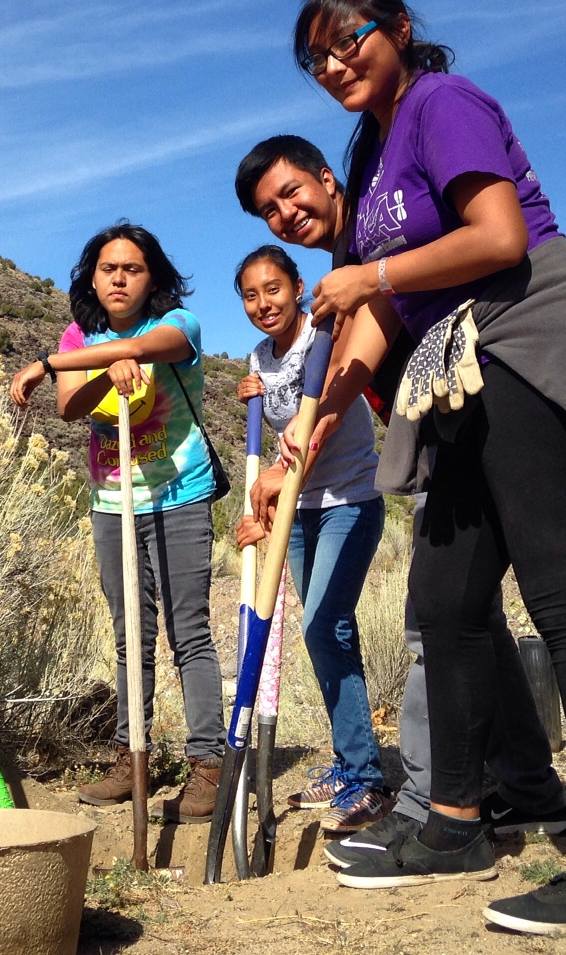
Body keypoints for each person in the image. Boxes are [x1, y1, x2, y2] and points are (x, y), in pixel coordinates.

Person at [246, 0, 566, 936]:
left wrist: (365, 276)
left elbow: (495, 238)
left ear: (399, 30)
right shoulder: (369, 149)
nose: (335, 66)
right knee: (447, 605)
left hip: (524, 342)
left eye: (349, 42)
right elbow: (375, 313)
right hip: (452, 371)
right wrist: (318, 416)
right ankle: (455, 822)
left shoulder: (442, 103)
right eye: (317, 59)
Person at [232, 138, 566, 861]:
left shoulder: (376, 250)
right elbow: (355, 367)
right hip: (438, 439)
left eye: (292, 194)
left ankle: (429, 802)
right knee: (470, 616)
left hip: (482, 419)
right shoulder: (348, 266)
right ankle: (530, 788)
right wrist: (300, 435)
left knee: (454, 622)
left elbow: (358, 353)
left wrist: (309, 425)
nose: (285, 214)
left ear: (329, 179)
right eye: (268, 210)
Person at [10, 223, 225, 823]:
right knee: (131, 635)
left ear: (152, 276)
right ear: (93, 277)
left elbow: (159, 350)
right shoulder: (80, 336)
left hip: (179, 493)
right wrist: (106, 367)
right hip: (114, 502)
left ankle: (208, 763)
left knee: (190, 632)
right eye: (109, 269)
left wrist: (52, 362)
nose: (120, 278)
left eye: (133, 268)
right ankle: (133, 761)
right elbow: (71, 404)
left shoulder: (178, 325)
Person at [230, 244, 391, 835]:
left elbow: (318, 415)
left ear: (297, 286)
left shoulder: (323, 333)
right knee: (321, 634)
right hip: (299, 509)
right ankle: (350, 764)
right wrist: (267, 511)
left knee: (325, 624)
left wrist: (282, 475)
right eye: (250, 294)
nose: (263, 302)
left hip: (349, 499)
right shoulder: (257, 358)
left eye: (273, 288)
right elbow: (279, 443)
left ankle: (368, 778)